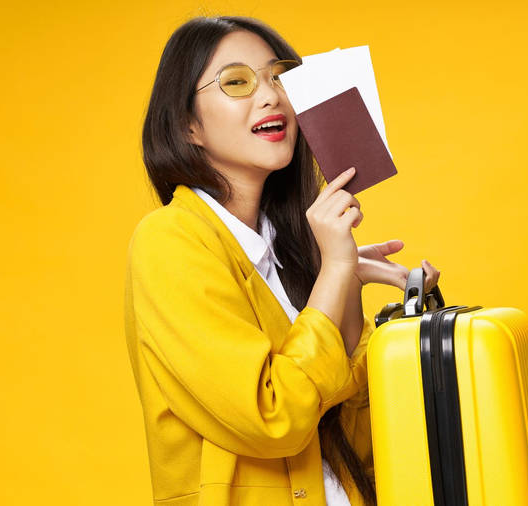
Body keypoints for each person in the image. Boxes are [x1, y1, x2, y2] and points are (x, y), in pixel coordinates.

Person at [124, 16, 440, 506]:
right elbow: (275, 419)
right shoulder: (169, 241)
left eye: (279, 77)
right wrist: (334, 272)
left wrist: (344, 288)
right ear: (187, 125)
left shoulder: (297, 250)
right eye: (237, 82)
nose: (270, 95)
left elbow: (353, 436)